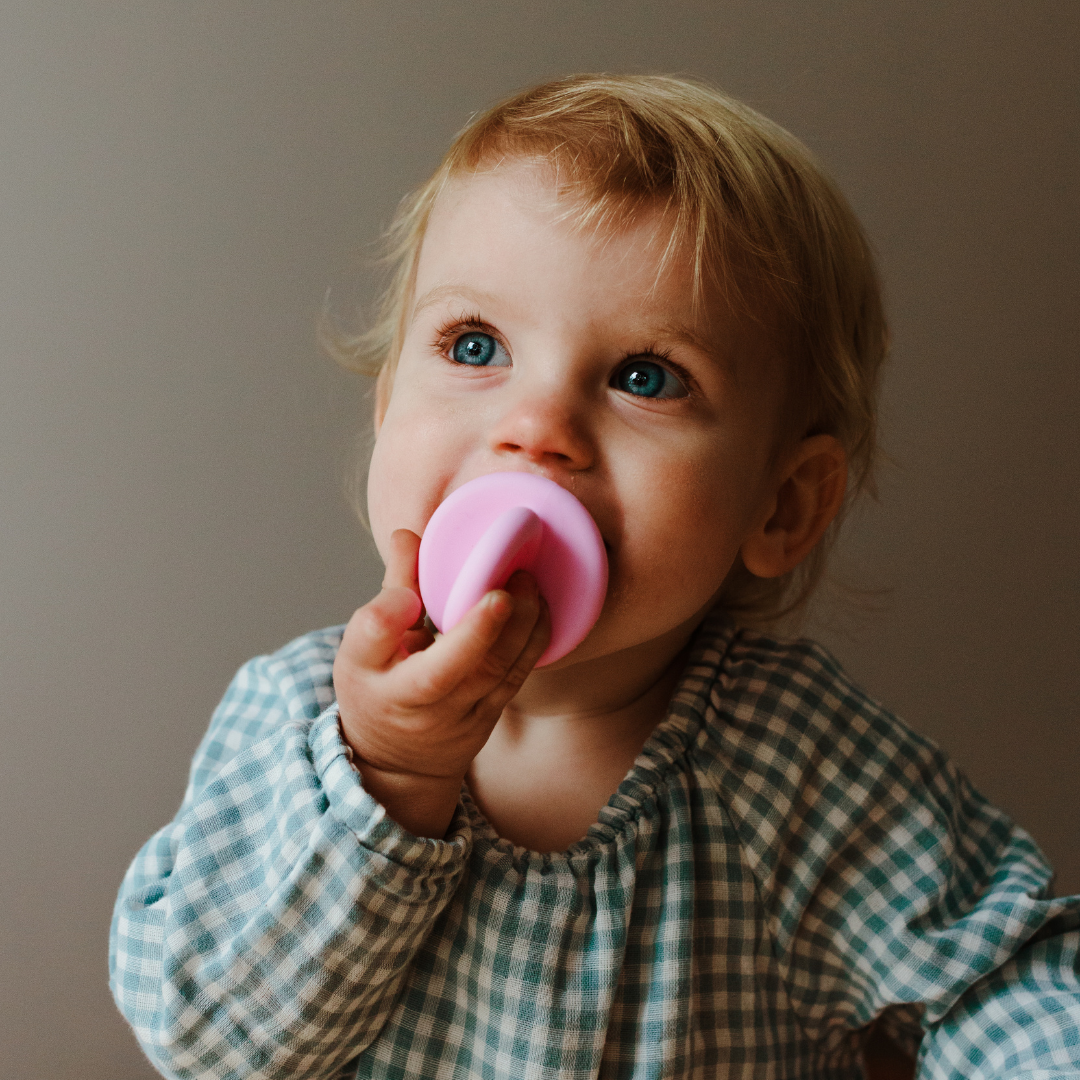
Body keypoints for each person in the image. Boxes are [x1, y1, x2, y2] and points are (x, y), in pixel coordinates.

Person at [109, 75, 1080, 1080]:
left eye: (644, 377)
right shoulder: (294, 719)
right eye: (476, 346)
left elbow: (1008, 987)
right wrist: (389, 778)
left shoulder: (803, 772)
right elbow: (210, 1043)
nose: (537, 429)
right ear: (387, 408)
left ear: (780, 505)